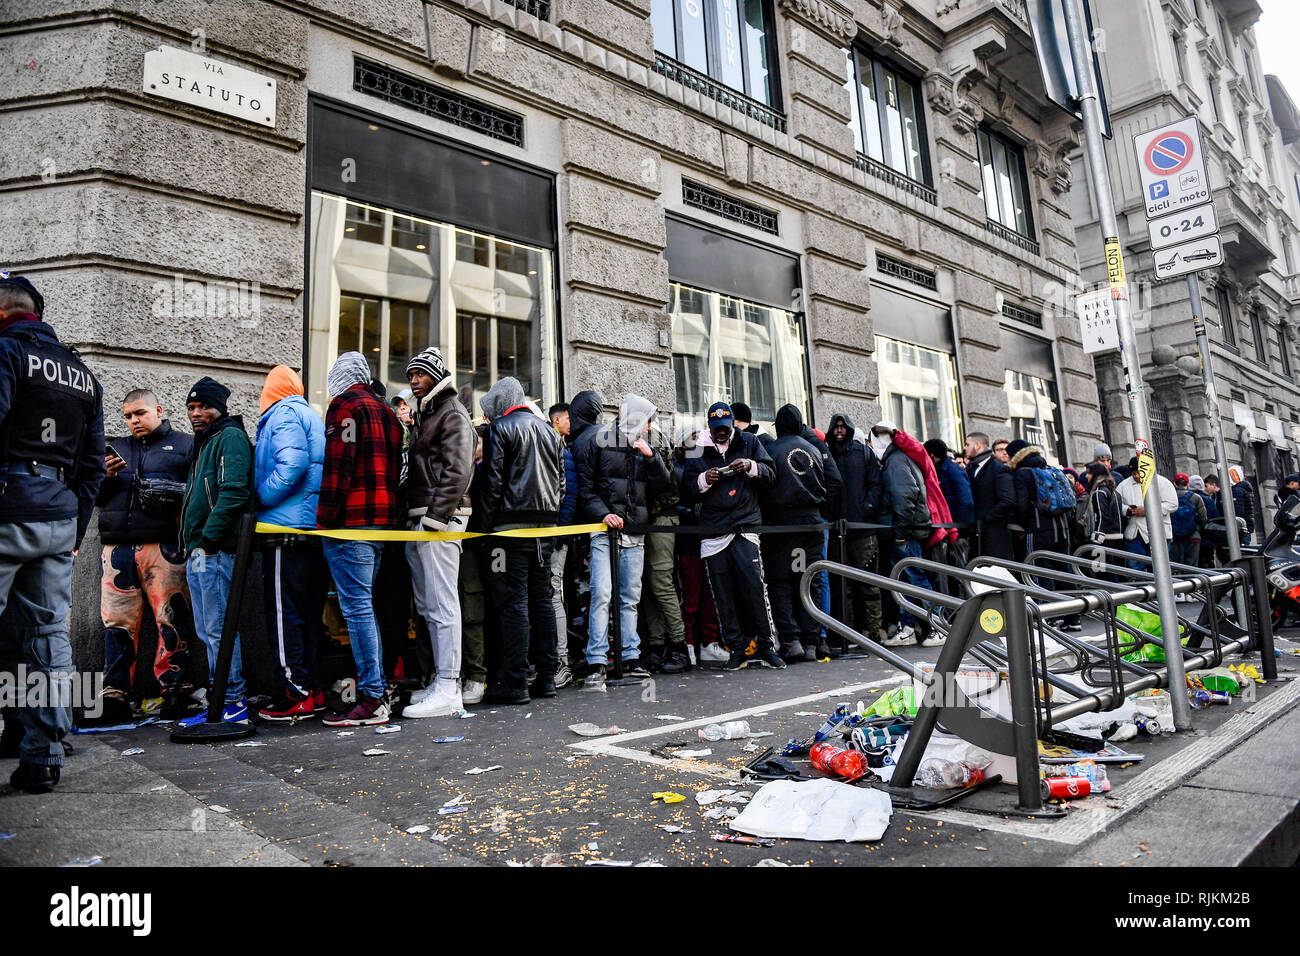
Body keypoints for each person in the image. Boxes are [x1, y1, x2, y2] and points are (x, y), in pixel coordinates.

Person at [0, 275, 106, 793]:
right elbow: (92, 468)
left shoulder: (6, 354)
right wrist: (74, 527)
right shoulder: (83, 375)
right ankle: (42, 757)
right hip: (57, 516)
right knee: (47, 637)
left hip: (8, 507)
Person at [94, 388, 194, 724]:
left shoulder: (184, 444)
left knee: (172, 619)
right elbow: (94, 496)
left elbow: (194, 492)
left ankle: (176, 688)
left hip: (164, 546)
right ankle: (115, 694)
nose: (133, 421)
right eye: (127, 415)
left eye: (139, 413)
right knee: (117, 624)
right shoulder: (115, 448)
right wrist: (104, 477)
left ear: (159, 411)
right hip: (117, 547)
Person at [316, 352, 403, 727]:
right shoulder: (386, 412)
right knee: (366, 607)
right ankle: (377, 689)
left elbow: (338, 468)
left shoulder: (344, 406)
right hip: (382, 522)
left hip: (350, 524)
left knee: (357, 610)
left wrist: (324, 520)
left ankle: (372, 696)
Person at [679, 402, 785, 671]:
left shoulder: (749, 442)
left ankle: (767, 646)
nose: (721, 433)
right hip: (714, 529)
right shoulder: (697, 448)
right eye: (716, 430)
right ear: (710, 427)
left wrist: (750, 466)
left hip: (745, 524)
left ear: (732, 424)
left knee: (754, 588)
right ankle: (736, 648)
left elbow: (771, 474)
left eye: (725, 428)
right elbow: (687, 489)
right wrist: (705, 478)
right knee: (722, 594)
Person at [575, 393, 671, 691]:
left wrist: (652, 459)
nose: (649, 428)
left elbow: (665, 488)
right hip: (605, 532)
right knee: (602, 594)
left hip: (634, 532)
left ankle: (631, 657)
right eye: (647, 421)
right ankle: (597, 661)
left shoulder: (645, 449)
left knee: (630, 597)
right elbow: (586, 488)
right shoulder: (599, 442)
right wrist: (603, 514)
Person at [400, 347, 475, 718]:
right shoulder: (430, 411)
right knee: (430, 605)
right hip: (426, 517)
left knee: (442, 604)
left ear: (436, 375)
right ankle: (442, 683)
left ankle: (448, 686)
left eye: (420, 374)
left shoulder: (451, 412)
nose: (412, 380)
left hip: (438, 520)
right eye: (410, 374)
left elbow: (459, 468)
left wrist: (436, 517)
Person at [480, 376, 565, 703]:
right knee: (542, 600)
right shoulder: (549, 430)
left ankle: (515, 683)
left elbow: (493, 483)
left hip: (508, 528)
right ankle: (547, 679)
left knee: (512, 603)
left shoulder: (501, 429)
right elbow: (561, 484)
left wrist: (485, 528)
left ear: (500, 404)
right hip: (544, 528)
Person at [177, 376, 254, 728]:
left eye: (203, 406)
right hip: (199, 551)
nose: (196, 413)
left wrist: (207, 540)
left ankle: (232, 702)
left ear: (219, 409)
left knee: (219, 628)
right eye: (191, 407)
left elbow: (234, 492)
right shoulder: (205, 442)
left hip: (216, 551)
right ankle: (219, 700)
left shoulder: (230, 438)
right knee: (208, 630)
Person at [253, 366, 327, 722]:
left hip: (284, 527)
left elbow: (293, 463)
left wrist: (262, 496)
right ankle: (312, 687)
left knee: (284, 614)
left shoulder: (282, 414)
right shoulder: (310, 415)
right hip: (311, 528)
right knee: (309, 612)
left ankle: (295, 692)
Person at [762, 404, 833, 662]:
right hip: (811, 524)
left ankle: (791, 640)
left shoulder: (772, 449)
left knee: (782, 582)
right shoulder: (814, 449)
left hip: (783, 526)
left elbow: (765, 485)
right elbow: (834, 482)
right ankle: (811, 641)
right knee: (808, 580)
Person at [871, 422, 938, 647]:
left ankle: (937, 628)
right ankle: (909, 627)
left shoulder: (895, 461)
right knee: (905, 581)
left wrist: (901, 534)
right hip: (904, 530)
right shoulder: (897, 459)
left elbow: (904, 498)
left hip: (904, 532)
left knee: (915, 580)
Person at [1005, 439, 1081, 630]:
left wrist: (1020, 524)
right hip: (1061, 531)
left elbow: (1022, 505)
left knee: (1038, 572)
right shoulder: (1050, 468)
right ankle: (1073, 618)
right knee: (1064, 571)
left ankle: (1048, 617)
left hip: (1038, 530)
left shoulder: (1023, 473)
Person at [825, 412, 884, 646]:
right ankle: (847, 631)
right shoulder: (826, 452)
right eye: (836, 427)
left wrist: (866, 508)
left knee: (869, 583)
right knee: (842, 584)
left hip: (862, 529)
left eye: (843, 427)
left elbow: (875, 485)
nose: (839, 430)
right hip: (837, 528)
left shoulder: (863, 453)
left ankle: (873, 630)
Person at [640, 415, 690, 674]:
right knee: (651, 584)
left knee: (660, 583)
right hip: (654, 518)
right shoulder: (652, 436)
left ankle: (678, 647)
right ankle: (659, 646)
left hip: (660, 518)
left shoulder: (653, 438)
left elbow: (659, 480)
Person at [674, 428, 723, 662]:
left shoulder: (707, 463)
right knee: (691, 595)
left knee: (711, 593)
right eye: (692, 438)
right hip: (689, 539)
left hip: (708, 536)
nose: (697, 442)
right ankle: (690, 643)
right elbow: (675, 503)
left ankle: (709, 642)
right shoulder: (677, 469)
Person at [549, 400, 577, 688]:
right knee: (551, 594)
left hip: (556, 535)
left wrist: (561, 532)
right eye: (568, 418)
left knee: (552, 594)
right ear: (557, 421)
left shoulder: (563, 451)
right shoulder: (558, 449)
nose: (572, 423)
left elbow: (568, 496)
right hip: (556, 533)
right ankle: (558, 660)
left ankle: (561, 661)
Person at [1117, 457, 1178, 571]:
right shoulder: (1123, 485)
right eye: (1133, 473)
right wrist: (1128, 510)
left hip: (1159, 533)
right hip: (1134, 534)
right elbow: (1117, 504)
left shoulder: (1162, 483)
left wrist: (1148, 510)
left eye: (1138, 473)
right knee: (1135, 568)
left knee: (1160, 569)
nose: (1136, 476)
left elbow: (1173, 504)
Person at [963, 431, 1016, 560]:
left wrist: (986, 517)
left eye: (967, 444)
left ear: (977, 446)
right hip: (977, 534)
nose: (965, 448)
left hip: (995, 535)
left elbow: (1008, 501)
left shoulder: (998, 468)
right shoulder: (972, 468)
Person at [1170, 472, 1207, 572]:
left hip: (1175, 537)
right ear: (1188, 484)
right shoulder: (1196, 498)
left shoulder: (1169, 497)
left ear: (1175, 483)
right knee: (1192, 566)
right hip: (1193, 537)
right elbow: (1203, 519)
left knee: (1176, 566)